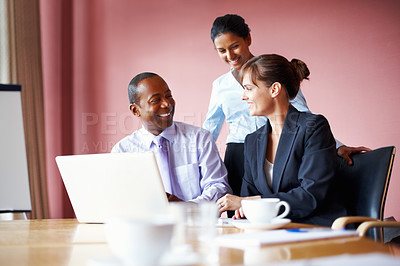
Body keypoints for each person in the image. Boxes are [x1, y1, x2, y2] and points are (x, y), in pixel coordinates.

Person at [203, 14, 370, 197]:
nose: (230, 55)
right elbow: (210, 129)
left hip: (282, 147)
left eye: (235, 46)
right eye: (222, 50)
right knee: (242, 212)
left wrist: (336, 146)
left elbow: (305, 118)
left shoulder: (272, 70)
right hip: (240, 153)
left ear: (248, 39)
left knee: (281, 204)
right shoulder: (219, 85)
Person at [216, 54, 347, 226]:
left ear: (274, 89)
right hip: (272, 233)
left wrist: (249, 203)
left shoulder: (313, 127)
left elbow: (310, 196)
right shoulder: (252, 141)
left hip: (316, 229)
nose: (243, 96)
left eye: (248, 88)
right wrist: (244, 209)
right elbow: (248, 200)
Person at [112, 72, 232, 203]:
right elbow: (120, 197)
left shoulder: (200, 138)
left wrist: (189, 208)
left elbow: (219, 187)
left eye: (168, 96)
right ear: (136, 110)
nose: (166, 104)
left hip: (194, 221)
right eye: (156, 100)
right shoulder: (123, 151)